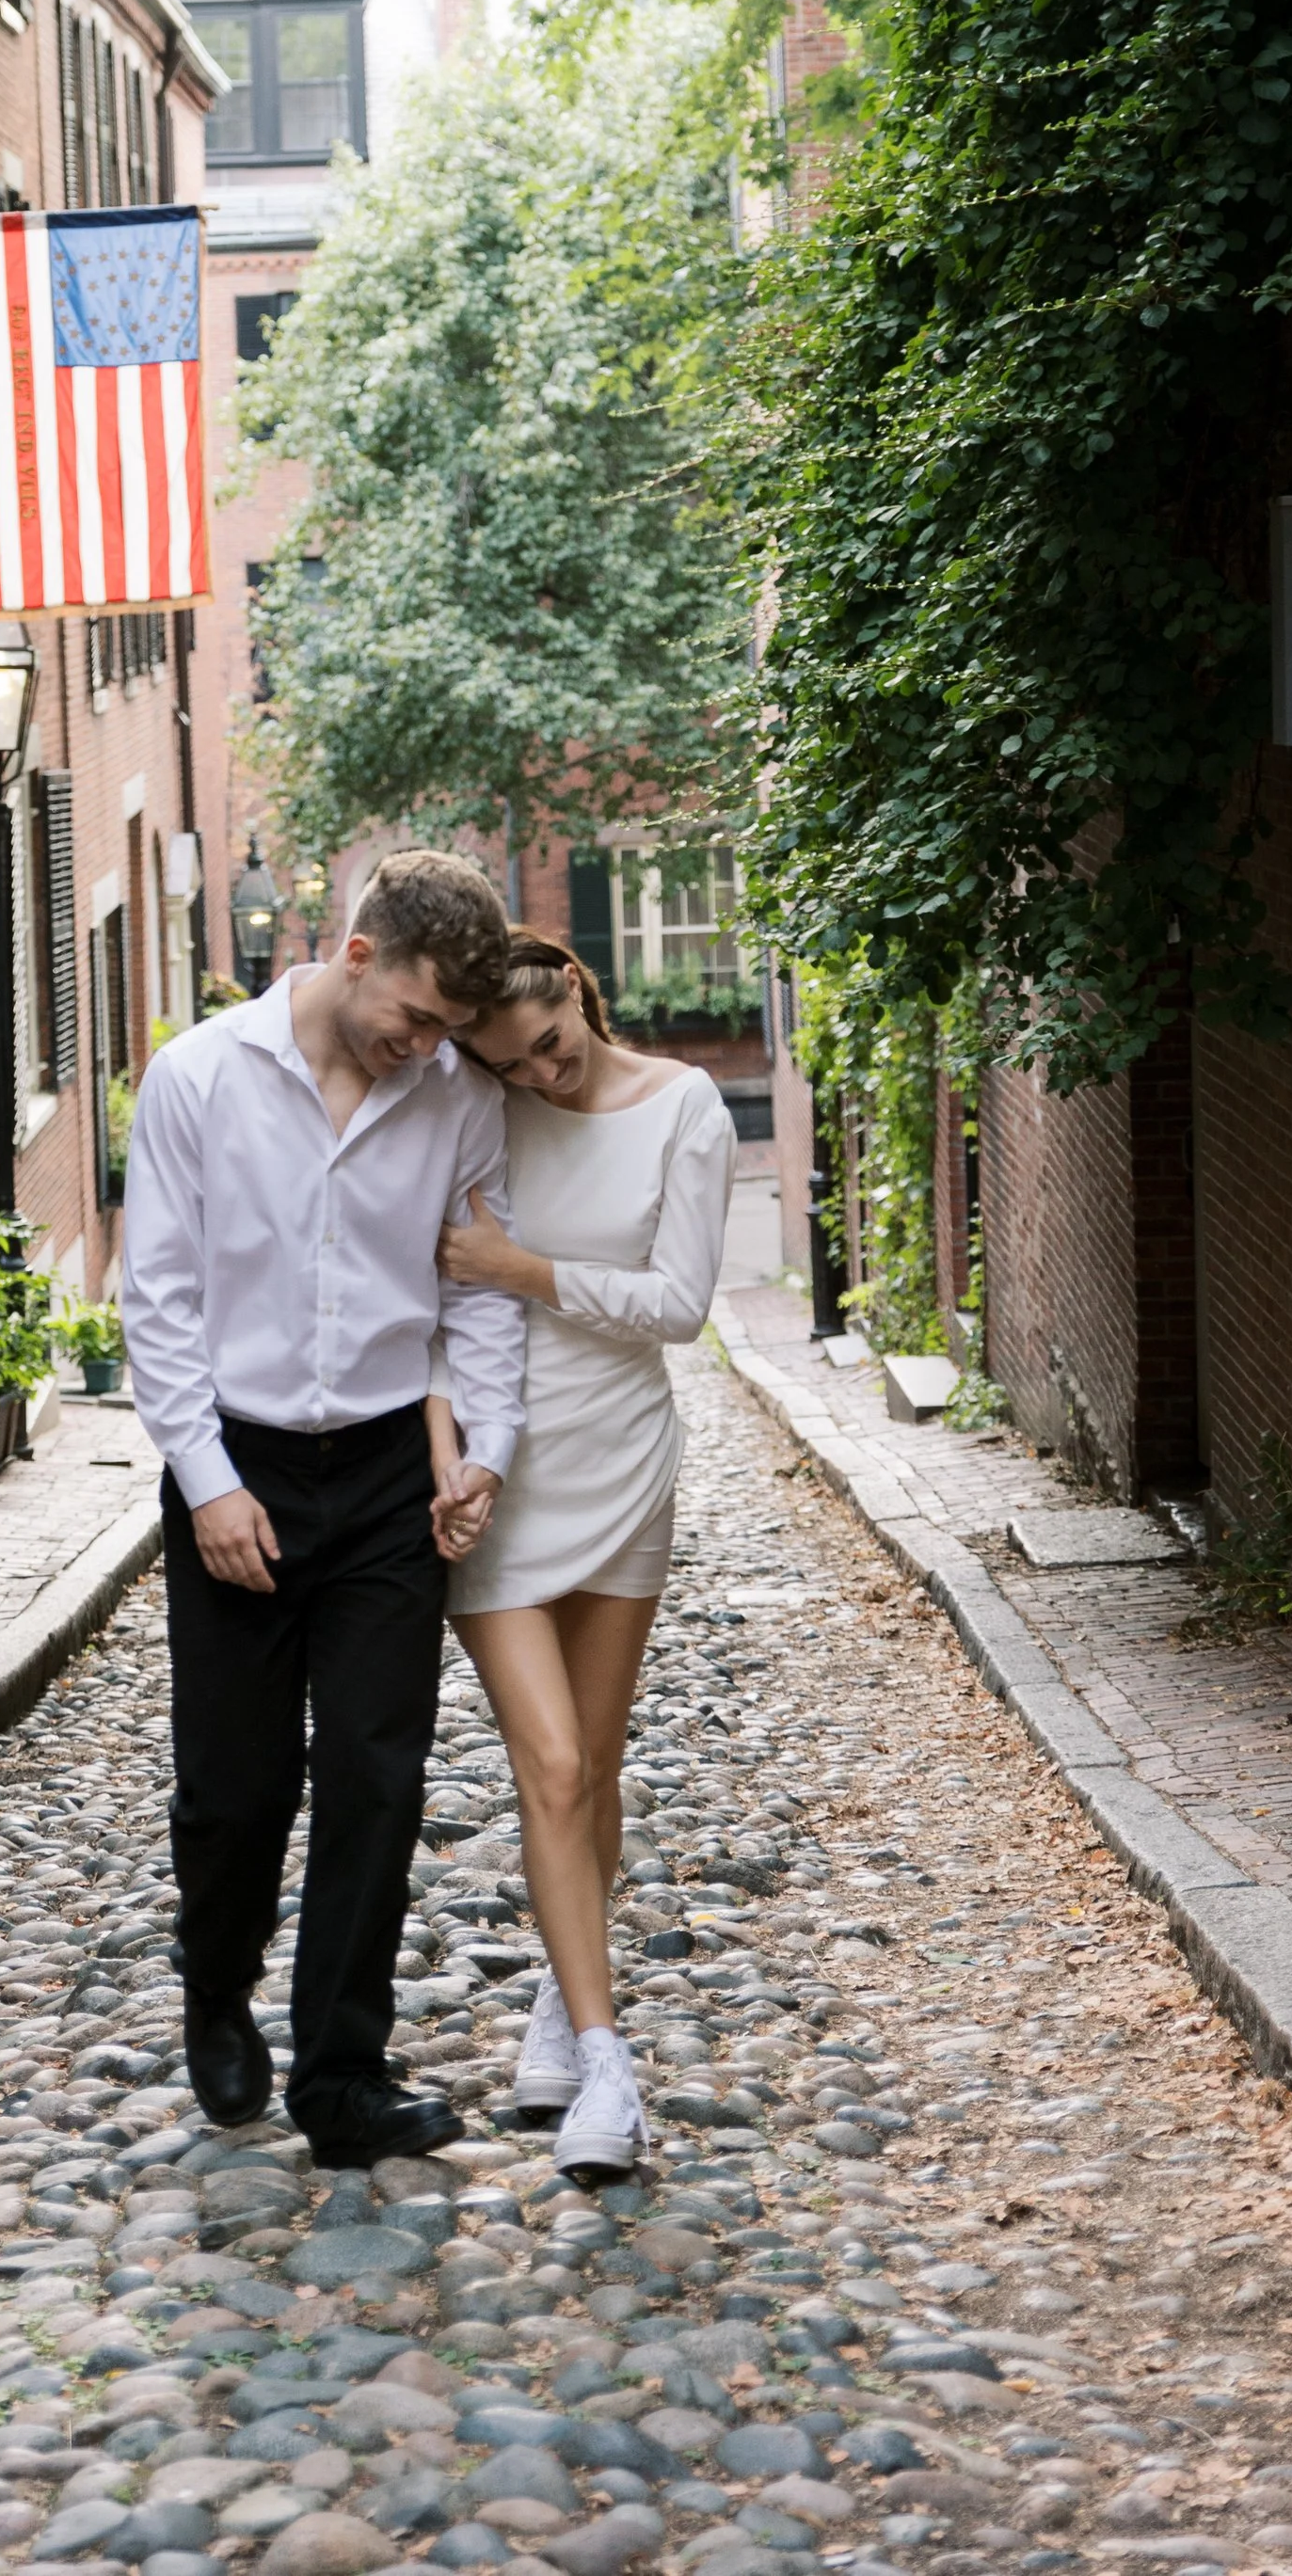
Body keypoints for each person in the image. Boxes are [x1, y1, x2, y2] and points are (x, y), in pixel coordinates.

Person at [121, 848, 526, 2167]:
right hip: (233, 1460)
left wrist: (483, 1449)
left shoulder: (454, 1097)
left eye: (448, 1031)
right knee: (235, 1787)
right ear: (357, 956)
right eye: (415, 1016)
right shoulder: (199, 1078)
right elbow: (161, 1302)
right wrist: (210, 1485)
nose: (426, 1047)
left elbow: (476, 1291)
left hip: (383, 1475)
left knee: (378, 1771)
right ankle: (215, 1976)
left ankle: (343, 2068)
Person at [426, 928, 737, 2174]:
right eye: (513, 1064)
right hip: (502, 1473)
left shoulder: (686, 1106)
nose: (542, 1077)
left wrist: (528, 1267)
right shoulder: (475, 1108)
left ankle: (567, 1991)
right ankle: (609, 2065)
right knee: (549, 1761)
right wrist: (447, 1447)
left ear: (575, 992)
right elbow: (443, 1298)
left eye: (549, 1046)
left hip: (621, 1463)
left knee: (596, 1763)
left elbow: (681, 1303)